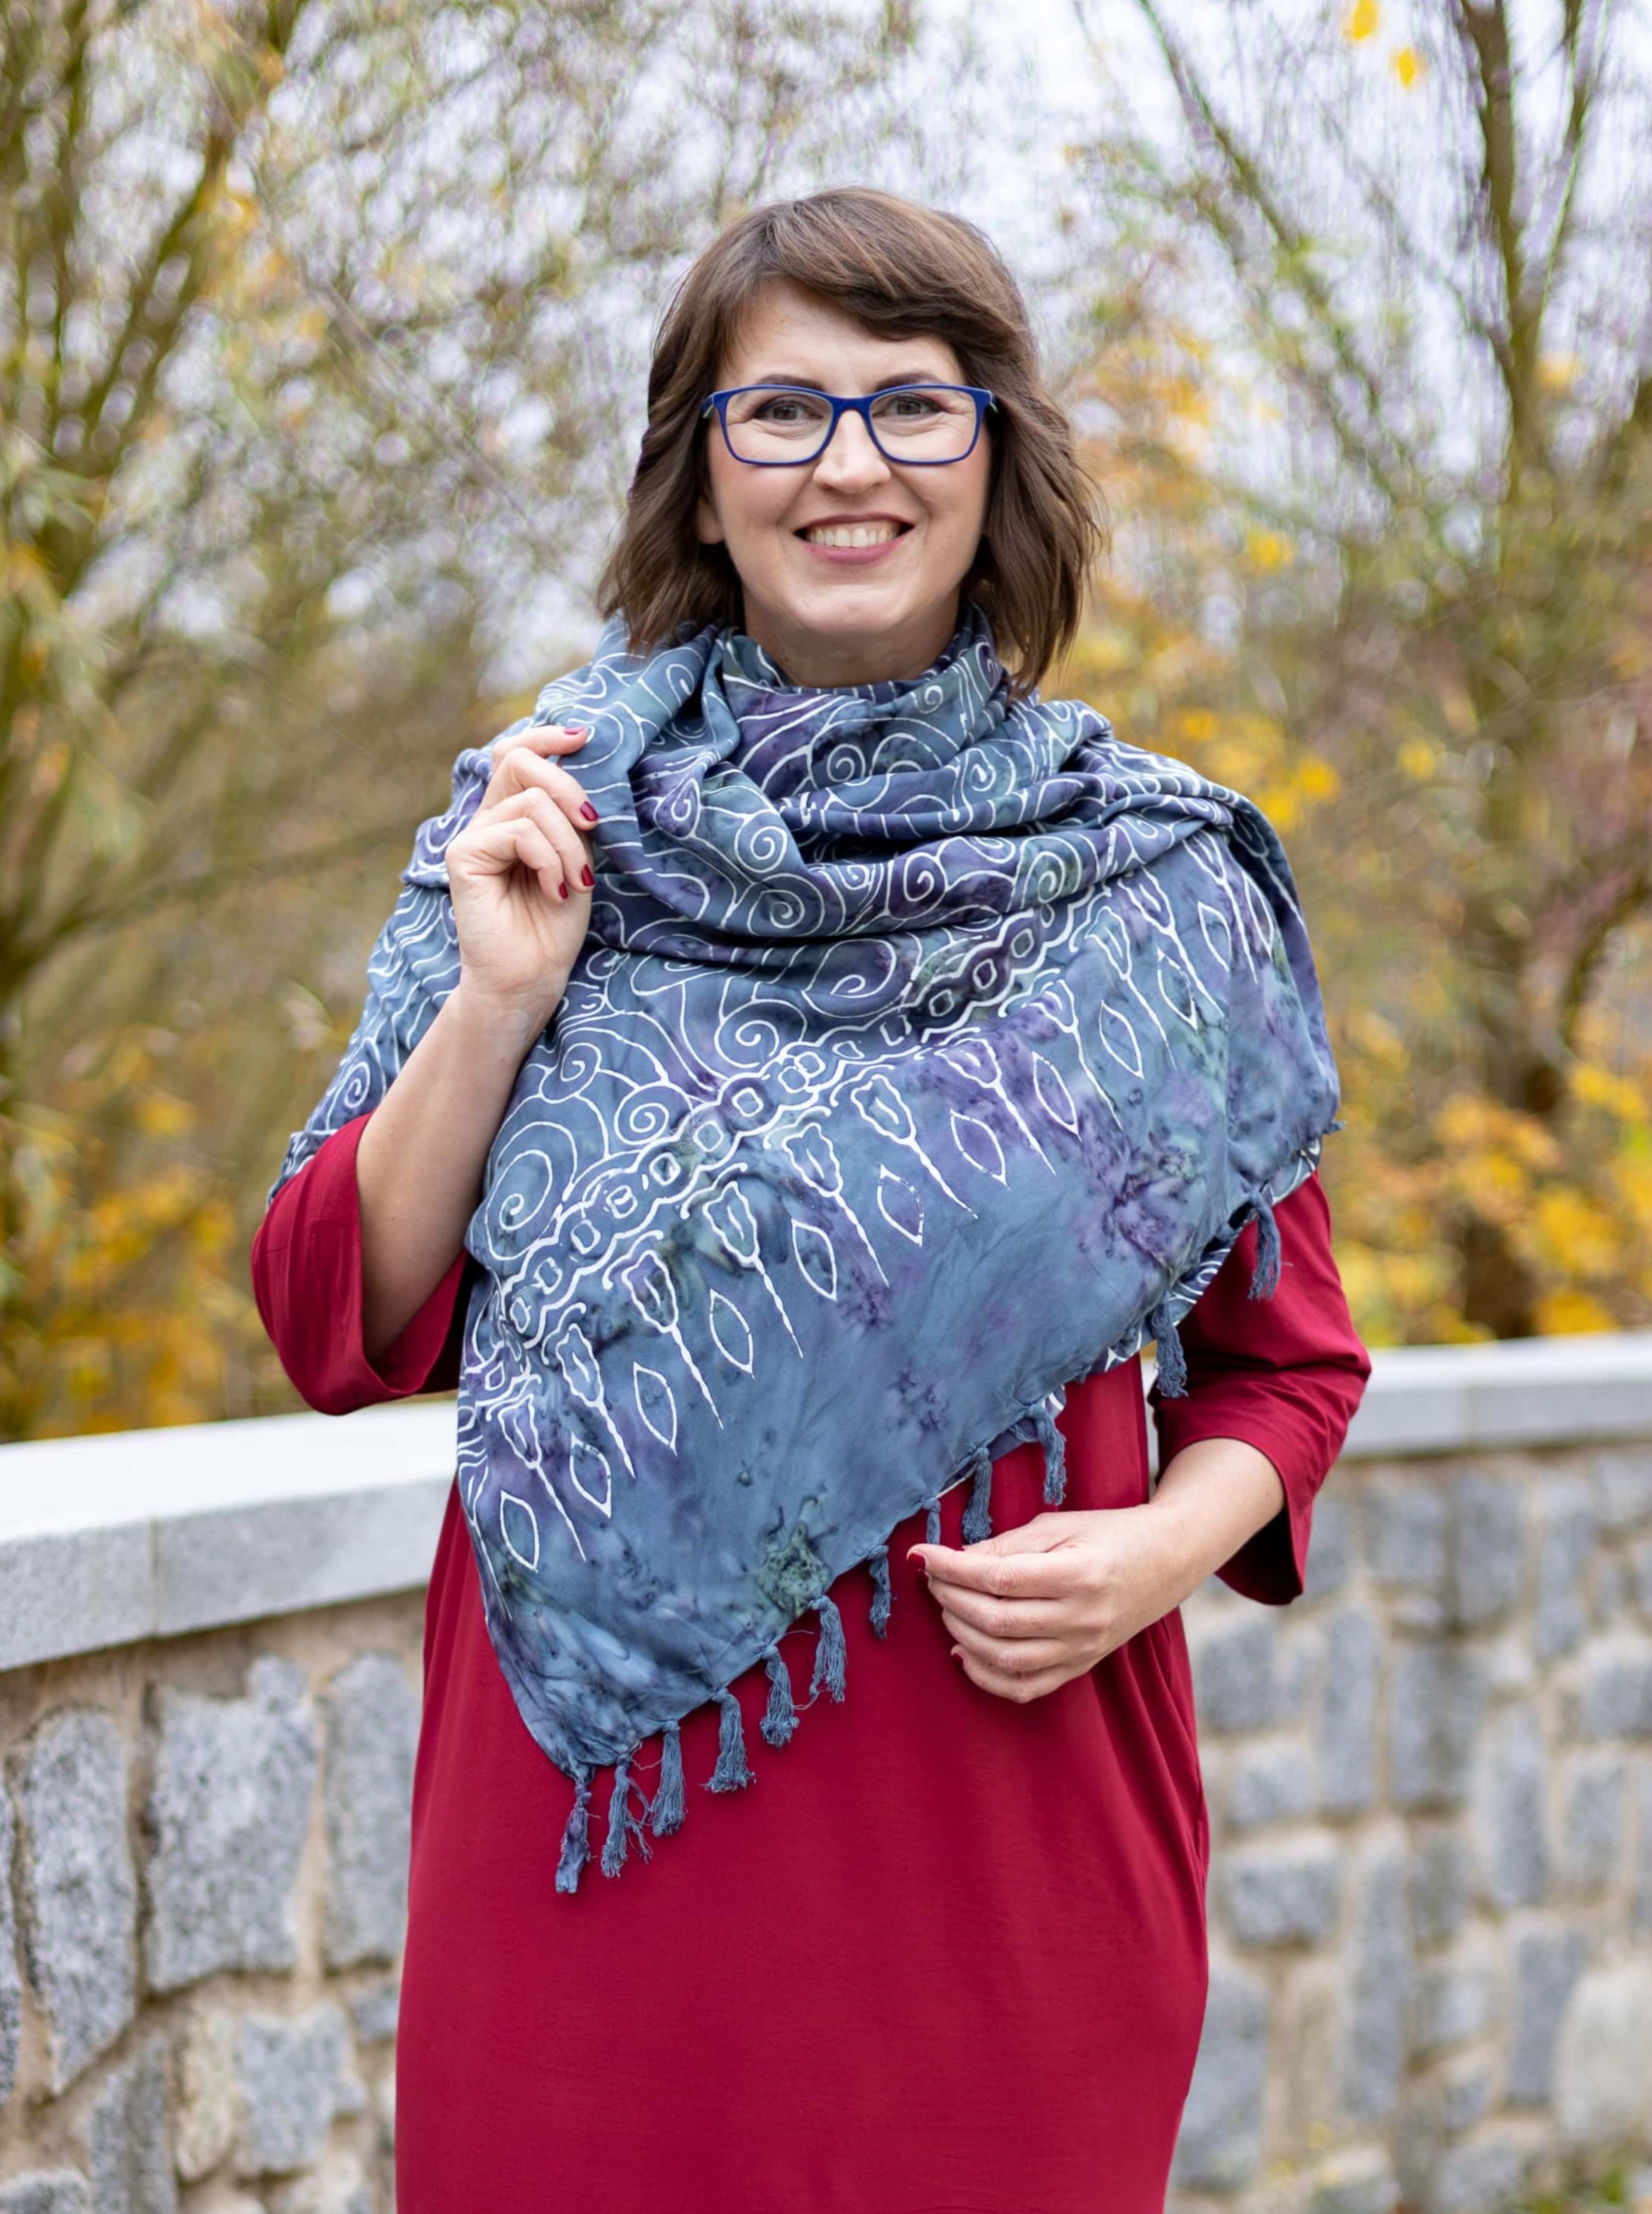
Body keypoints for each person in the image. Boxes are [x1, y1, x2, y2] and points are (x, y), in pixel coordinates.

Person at [254, 187, 1369, 2214]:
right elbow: (337, 1318)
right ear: (701, 477)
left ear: (995, 458)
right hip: (588, 1869)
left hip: (1007, 1858)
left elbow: (1286, 1371)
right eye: (780, 411)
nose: (849, 463)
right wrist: (501, 1001)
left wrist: (1151, 1553)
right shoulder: (539, 824)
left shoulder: (1159, 895)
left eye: (911, 406)